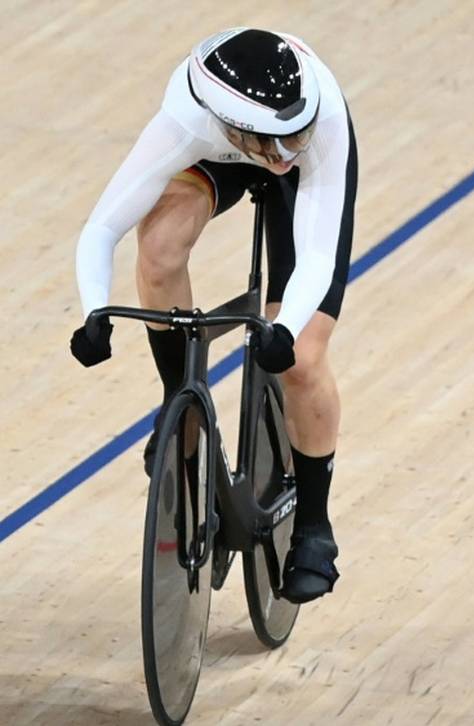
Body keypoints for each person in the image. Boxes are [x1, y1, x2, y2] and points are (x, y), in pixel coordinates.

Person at [68, 27, 358, 605]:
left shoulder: (315, 131)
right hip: (216, 157)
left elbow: (318, 258)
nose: (285, 154)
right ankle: (182, 402)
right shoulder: (184, 119)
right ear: (229, 124)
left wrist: (282, 330)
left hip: (304, 186)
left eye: (294, 135)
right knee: (158, 250)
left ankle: (315, 527)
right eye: (274, 144)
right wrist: (93, 311)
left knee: (301, 359)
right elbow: (103, 228)